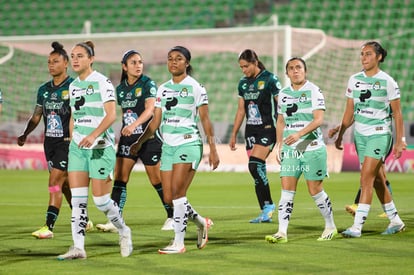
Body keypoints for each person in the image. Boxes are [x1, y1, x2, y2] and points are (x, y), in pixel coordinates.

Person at [130, 46, 220, 254]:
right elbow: (155, 122)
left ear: (187, 63)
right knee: (169, 197)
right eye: (170, 59)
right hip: (168, 147)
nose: (173, 62)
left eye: (178, 59)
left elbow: (206, 119)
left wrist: (213, 149)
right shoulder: (162, 88)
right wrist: (141, 141)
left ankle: (178, 242)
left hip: (188, 143)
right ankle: (200, 222)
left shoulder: (196, 87)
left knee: (179, 194)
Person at [57, 41, 132, 260]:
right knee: (78, 200)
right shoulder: (72, 86)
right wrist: (73, 137)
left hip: (100, 147)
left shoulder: (103, 82)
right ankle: (78, 247)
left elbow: (111, 115)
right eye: (73, 56)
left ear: (91, 59)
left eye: (80, 55)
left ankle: (124, 230)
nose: (75, 60)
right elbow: (74, 115)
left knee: (101, 201)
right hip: (78, 149)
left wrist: (93, 136)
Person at [17, 41, 92, 239]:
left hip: (67, 142)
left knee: (54, 181)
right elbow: (36, 116)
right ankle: (83, 218)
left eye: (55, 61)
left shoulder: (75, 87)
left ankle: (48, 227)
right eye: (49, 62)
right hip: (49, 142)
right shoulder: (44, 90)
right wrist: (25, 134)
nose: (51, 65)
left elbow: (82, 113)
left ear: (66, 63)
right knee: (64, 185)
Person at [333, 41, 405, 238]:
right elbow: (349, 112)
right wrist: (340, 134)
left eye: (368, 54)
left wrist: (400, 141)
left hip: (380, 134)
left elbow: (397, 114)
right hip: (360, 136)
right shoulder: (354, 80)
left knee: (366, 178)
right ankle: (396, 220)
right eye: (362, 54)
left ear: (379, 57)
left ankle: (357, 227)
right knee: (378, 180)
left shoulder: (388, 81)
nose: (363, 58)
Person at [96, 50, 173, 233]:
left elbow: (150, 110)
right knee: (120, 178)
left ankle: (172, 216)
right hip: (127, 140)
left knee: (156, 180)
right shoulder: (120, 89)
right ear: (124, 66)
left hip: (149, 138)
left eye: (140, 62)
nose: (138, 65)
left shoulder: (148, 84)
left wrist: (135, 125)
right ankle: (115, 220)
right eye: (133, 62)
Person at [265, 57, 337, 244]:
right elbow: (280, 121)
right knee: (286, 191)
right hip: (290, 150)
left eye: (299, 67)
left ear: (305, 71)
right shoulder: (283, 94)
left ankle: (330, 226)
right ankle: (281, 232)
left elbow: (318, 119)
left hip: (311, 147)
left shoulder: (314, 91)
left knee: (315, 189)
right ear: (287, 73)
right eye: (291, 68)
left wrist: (299, 134)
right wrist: (279, 145)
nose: (295, 70)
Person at [229, 49, 282, 223]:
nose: (243, 70)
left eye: (246, 66)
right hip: (250, 131)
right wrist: (234, 132)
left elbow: (280, 107)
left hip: (267, 129)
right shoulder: (243, 83)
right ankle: (265, 210)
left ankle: (269, 206)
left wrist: (282, 131)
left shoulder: (270, 79)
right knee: (258, 171)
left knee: (254, 165)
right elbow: (240, 110)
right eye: (241, 67)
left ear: (255, 62)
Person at [328, 124, 406, 217]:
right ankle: (390, 210)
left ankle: (358, 204)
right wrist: (337, 130)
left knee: (369, 172)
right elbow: (354, 115)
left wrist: (402, 140)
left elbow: (398, 117)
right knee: (379, 175)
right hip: (368, 138)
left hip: (381, 138)